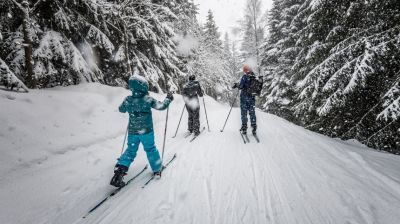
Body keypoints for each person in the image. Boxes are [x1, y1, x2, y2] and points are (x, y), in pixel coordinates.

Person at [110, 74, 173, 188]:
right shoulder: (147, 99)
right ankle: (157, 168)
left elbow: (121, 109)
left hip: (133, 132)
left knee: (130, 150)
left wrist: (129, 106)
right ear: (143, 86)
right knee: (150, 149)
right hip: (146, 131)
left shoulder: (128, 100)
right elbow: (161, 106)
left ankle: (119, 172)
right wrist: (168, 99)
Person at [233, 65, 258, 135]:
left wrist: (236, 85)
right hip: (252, 98)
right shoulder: (254, 77)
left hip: (244, 98)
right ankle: (254, 127)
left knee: (244, 113)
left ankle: (244, 127)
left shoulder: (245, 77)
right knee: (252, 113)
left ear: (245, 70)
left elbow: (241, 86)